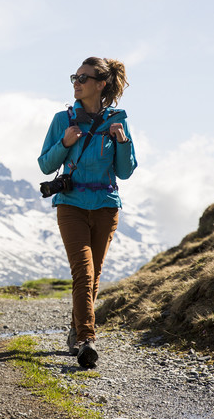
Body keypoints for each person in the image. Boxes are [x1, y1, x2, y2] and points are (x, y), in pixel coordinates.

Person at [37, 57, 137, 368]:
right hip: (71, 204)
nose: (76, 83)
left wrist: (122, 142)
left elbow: (126, 171)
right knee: (83, 271)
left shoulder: (117, 119)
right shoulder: (62, 120)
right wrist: (64, 143)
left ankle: (75, 330)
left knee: (93, 276)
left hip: (106, 206)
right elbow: (45, 164)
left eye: (83, 77)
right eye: (74, 77)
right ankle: (86, 339)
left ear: (101, 84)